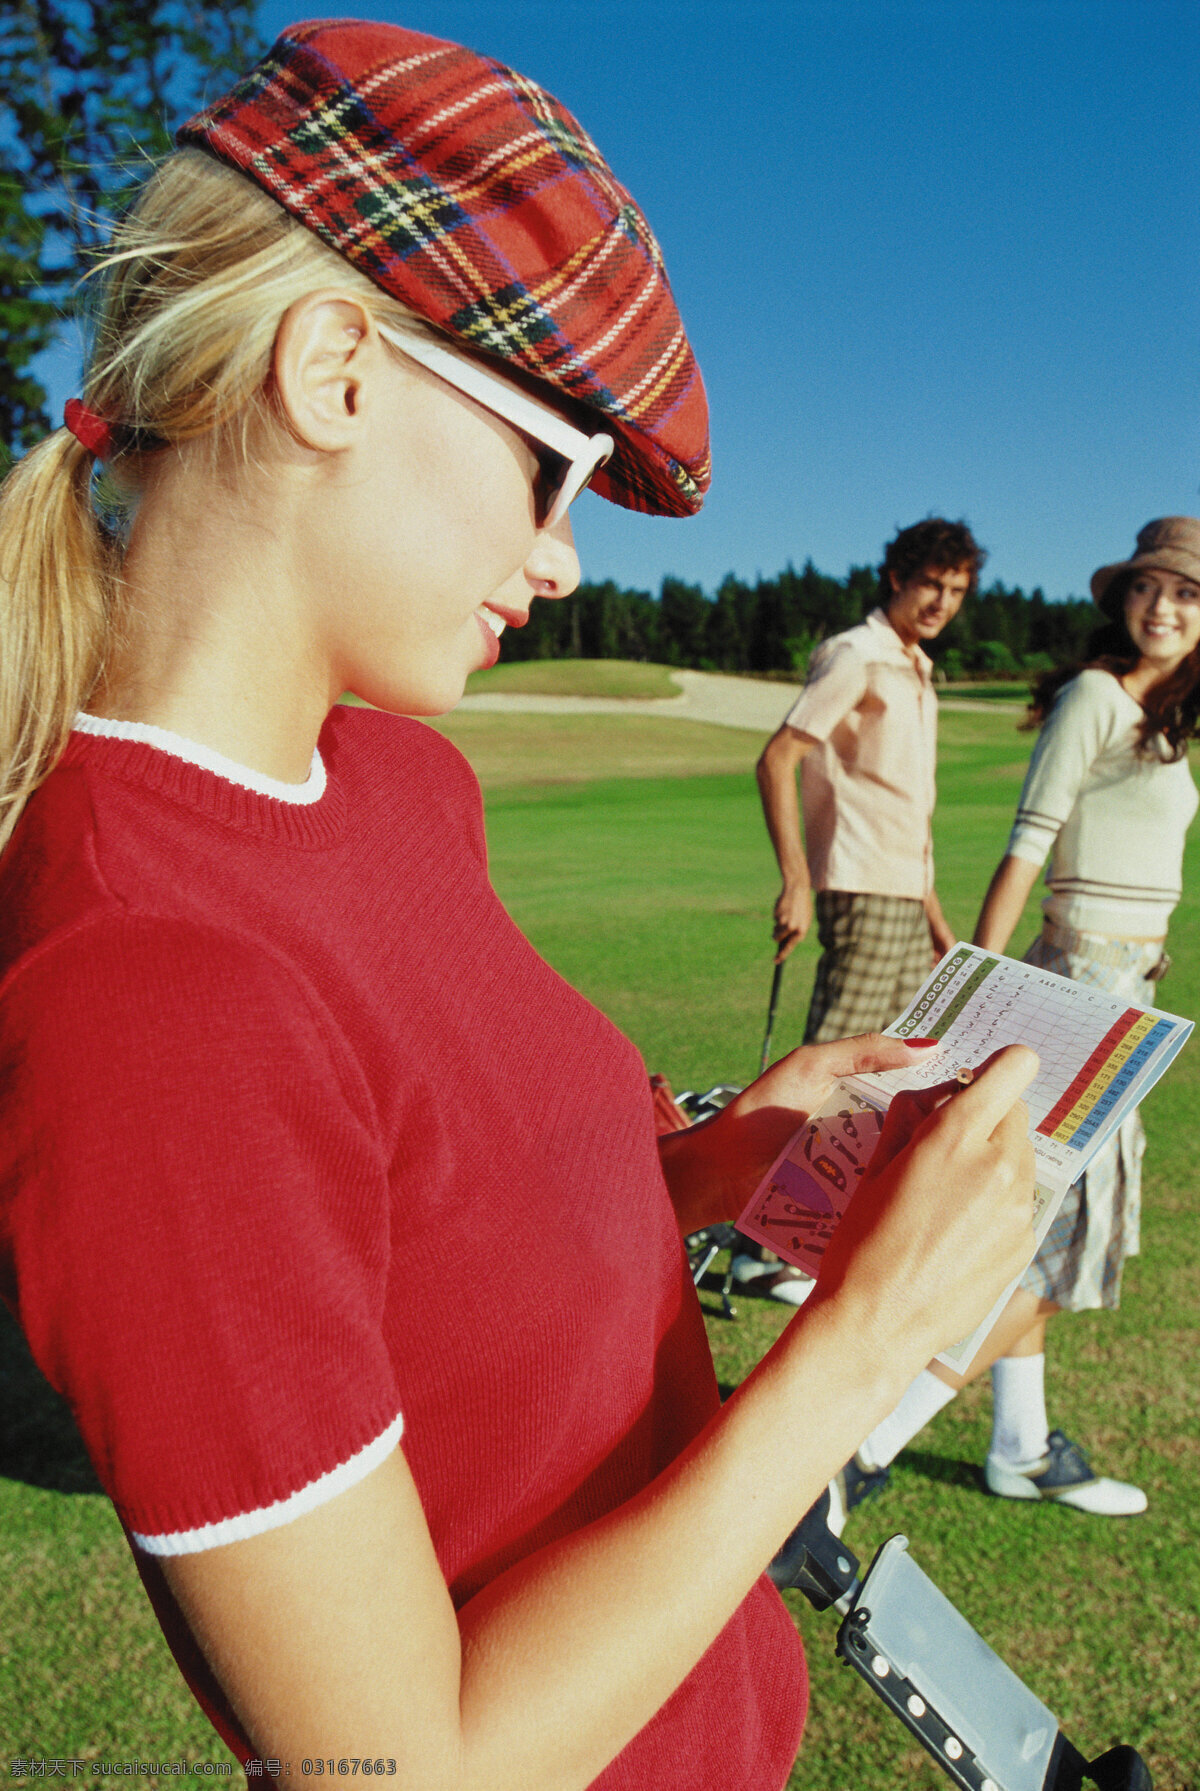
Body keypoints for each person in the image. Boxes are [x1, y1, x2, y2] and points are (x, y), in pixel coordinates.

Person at [0, 22, 1038, 1789]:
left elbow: (426, 1191)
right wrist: (859, 1350)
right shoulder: (147, 987)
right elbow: (411, 1771)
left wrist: (713, 1159)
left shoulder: (403, 781)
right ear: (335, 368)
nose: (562, 555)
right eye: (553, 465)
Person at [830, 518, 1200, 1528]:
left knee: (1042, 1234)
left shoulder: (1169, 724)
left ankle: (1019, 1448)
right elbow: (1024, 852)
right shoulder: (1094, 697)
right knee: (1049, 1258)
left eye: (1186, 594)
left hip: (1131, 991)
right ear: (1122, 599)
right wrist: (986, 999)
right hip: (1079, 989)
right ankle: (861, 1449)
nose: (1162, 609)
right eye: (1148, 589)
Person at [736, 519, 983, 1304]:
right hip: (859, 884)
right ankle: (758, 1245)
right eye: (930, 585)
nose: (942, 602)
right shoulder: (858, 654)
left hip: (903, 891)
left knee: (906, 1067)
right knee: (838, 1067)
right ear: (896, 578)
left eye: (957, 591)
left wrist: (935, 911)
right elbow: (779, 756)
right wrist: (796, 879)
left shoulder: (917, 668)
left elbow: (908, 810)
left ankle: (825, 1230)